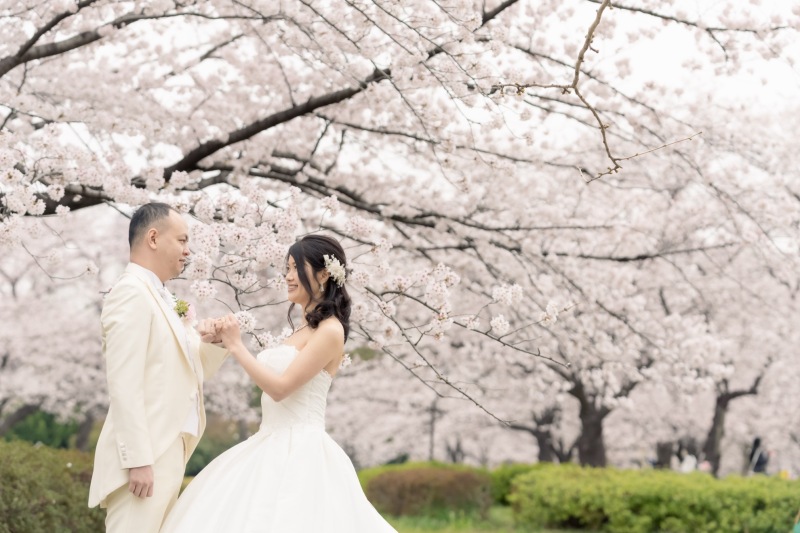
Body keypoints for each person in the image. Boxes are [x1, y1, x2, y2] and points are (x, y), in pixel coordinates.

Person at [160, 234, 397, 532]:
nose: (287, 277)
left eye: (295, 268)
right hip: (267, 441)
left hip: (302, 452)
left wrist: (237, 346)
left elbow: (280, 389)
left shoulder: (330, 331)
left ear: (323, 274)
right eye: (286, 268)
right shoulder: (302, 328)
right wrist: (219, 341)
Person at [88, 203, 229, 533]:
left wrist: (212, 342)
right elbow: (124, 382)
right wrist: (138, 460)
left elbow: (193, 371)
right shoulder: (131, 293)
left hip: (171, 450)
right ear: (153, 237)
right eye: (182, 240)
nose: (187, 250)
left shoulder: (161, 297)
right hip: (146, 456)